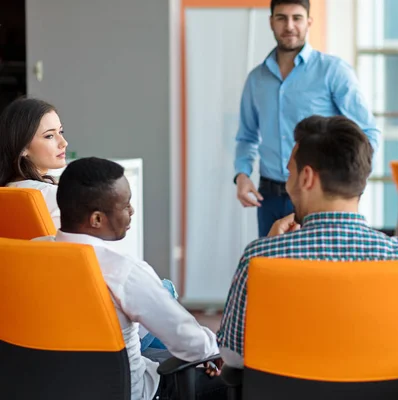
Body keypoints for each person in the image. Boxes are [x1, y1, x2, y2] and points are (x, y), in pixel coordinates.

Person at [219, 115, 398, 377]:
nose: (287, 184)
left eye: (289, 172)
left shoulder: (260, 257)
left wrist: (270, 255)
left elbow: (233, 355)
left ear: (307, 178)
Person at [47, 157, 227, 400]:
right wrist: (215, 352)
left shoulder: (29, 255)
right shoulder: (123, 272)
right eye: (125, 205)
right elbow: (188, 340)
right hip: (131, 392)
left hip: (53, 386)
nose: (131, 211)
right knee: (237, 378)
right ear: (97, 219)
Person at [234, 0, 381, 237]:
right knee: (269, 269)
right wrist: (241, 174)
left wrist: (352, 184)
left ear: (309, 22)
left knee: (316, 271)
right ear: (271, 22)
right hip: (269, 195)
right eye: (281, 18)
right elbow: (247, 136)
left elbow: (368, 133)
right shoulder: (256, 79)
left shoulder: (333, 72)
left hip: (319, 195)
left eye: (297, 18)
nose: (289, 26)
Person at [0, 97, 67, 228]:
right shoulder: (53, 195)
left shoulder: (7, 191)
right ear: (23, 147)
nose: (64, 143)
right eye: (49, 136)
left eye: (61, 132)